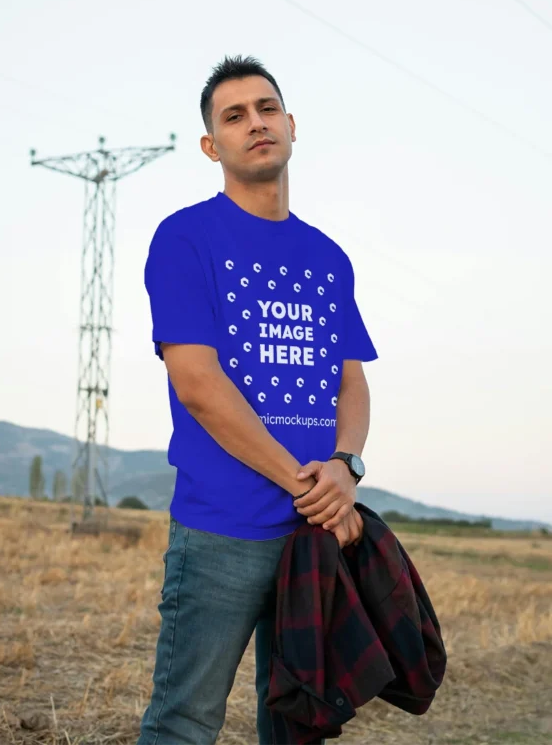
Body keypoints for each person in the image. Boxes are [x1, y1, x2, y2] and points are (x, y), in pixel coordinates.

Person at [137, 55, 378, 745]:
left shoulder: (327, 257)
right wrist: (309, 486)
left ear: (292, 126)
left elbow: (350, 380)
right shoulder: (185, 237)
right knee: (184, 722)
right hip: (222, 531)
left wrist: (346, 467)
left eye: (266, 108)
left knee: (298, 723)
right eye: (234, 116)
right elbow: (199, 385)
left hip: (312, 537)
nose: (256, 123)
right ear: (212, 146)